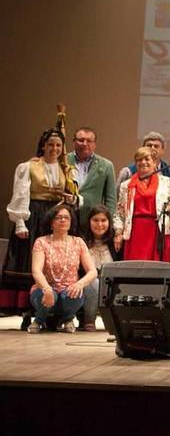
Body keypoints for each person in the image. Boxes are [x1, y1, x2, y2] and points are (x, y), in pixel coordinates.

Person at [3, 127, 78, 321]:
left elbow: (75, 196)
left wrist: (72, 199)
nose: (54, 148)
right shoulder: (28, 166)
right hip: (33, 216)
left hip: (54, 216)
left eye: (58, 145)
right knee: (31, 262)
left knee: (52, 263)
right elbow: (20, 195)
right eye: (51, 144)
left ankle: (50, 310)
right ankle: (29, 310)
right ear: (43, 146)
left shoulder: (66, 169)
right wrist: (20, 222)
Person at [28, 204, 98, 333]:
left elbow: (92, 271)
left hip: (68, 291)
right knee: (49, 295)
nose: (63, 220)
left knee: (75, 294)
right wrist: (46, 288)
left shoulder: (78, 242)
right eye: (58, 217)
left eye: (67, 217)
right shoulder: (41, 242)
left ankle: (67, 318)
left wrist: (79, 284)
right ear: (51, 222)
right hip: (44, 289)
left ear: (71, 222)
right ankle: (39, 319)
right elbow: (36, 271)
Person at [113, 147, 170, 261]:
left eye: (147, 159)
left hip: (158, 231)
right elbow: (120, 212)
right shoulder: (126, 185)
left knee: (157, 270)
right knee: (135, 270)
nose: (143, 162)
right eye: (139, 160)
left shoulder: (167, 182)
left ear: (155, 162)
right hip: (135, 232)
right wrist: (118, 233)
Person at [80, 205, 119, 332]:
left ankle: (113, 322)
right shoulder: (81, 241)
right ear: (89, 221)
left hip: (111, 283)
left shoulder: (116, 242)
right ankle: (89, 320)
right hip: (87, 285)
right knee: (94, 283)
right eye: (95, 220)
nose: (99, 224)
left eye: (103, 220)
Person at [68, 127, 116, 229]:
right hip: (66, 219)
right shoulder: (63, 161)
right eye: (81, 140)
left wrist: (109, 225)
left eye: (89, 141)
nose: (84, 143)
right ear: (74, 142)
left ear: (94, 144)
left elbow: (111, 199)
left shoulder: (106, 165)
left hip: (93, 223)